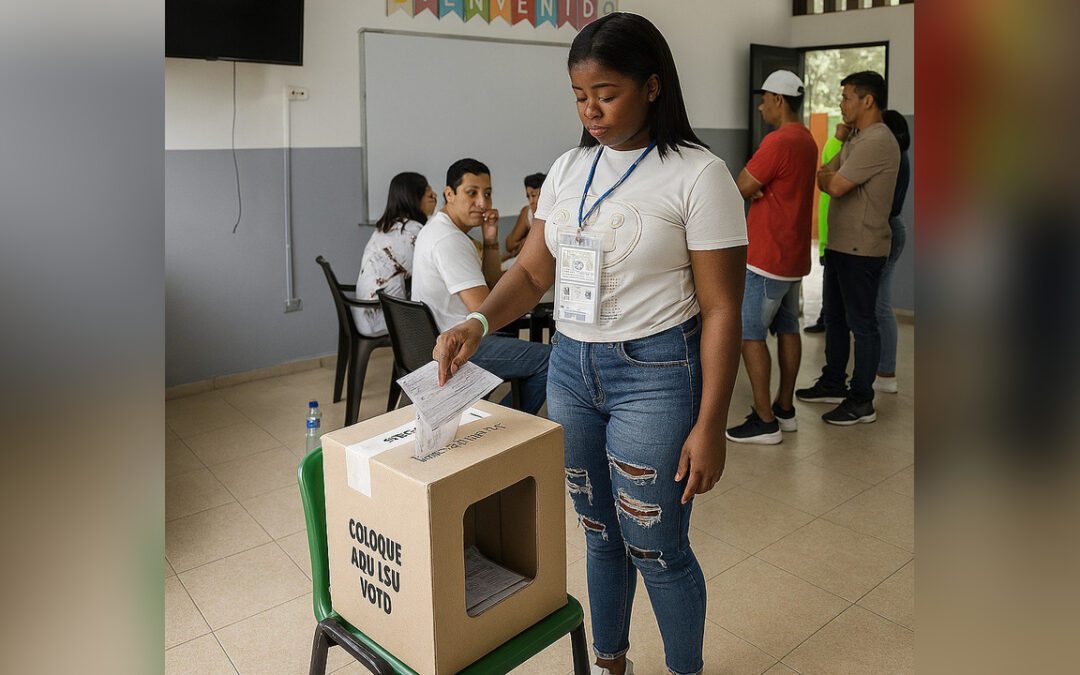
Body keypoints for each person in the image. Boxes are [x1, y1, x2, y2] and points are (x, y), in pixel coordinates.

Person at [432, 13, 747, 675]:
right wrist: (478, 323)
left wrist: (712, 421)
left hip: (656, 370)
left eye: (606, 92)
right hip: (572, 367)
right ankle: (610, 663)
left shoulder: (700, 174)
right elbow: (531, 272)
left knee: (657, 544)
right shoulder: (570, 167)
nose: (591, 109)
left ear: (652, 86)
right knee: (600, 534)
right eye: (580, 96)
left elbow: (722, 309)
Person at [796, 71, 899, 425]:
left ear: (867, 100)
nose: (841, 103)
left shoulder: (877, 140)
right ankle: (833, 381)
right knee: (836, 319)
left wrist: (828, 177)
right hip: (842, 246)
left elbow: (834, 184)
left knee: (862, 323)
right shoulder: (856, 138)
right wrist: (828, 174)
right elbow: (824, 173)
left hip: (862, 249)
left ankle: (862, 399)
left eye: (846, 97)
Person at [411, 158, 551, 414]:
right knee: (551, 360)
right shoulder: (449, 240)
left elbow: (492, 284)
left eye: (487, 194)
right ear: (449, 194)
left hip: (441, 338)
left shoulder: (440, 229)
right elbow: (485, 309)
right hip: (459, 345)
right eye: (471, 193)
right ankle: (500, 425)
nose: (483, 203)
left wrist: (490, 239)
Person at [726, 70, 818, 444]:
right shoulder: (807, 140)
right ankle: (785, 407)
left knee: (749, 335)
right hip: (793, 258)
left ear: (779, 100)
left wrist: (752, 190)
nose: (761, 105)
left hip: (765, 259)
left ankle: (764, 420)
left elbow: (738, 189)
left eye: (764, 98)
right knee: (788, 329)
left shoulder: (778, 142)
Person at [353, 172, 437, 334]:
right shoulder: (411, 231)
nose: (434, 196)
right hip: (382, 317)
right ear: (414, 197)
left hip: (366, 313)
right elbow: (432, 272)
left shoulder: (388, 226)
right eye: (428, 192)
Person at [874, 109, 910, 394]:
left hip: (889, 228)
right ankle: (883, 369)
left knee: (881, 307)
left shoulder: (893, 155)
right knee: (877, 306)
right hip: (892, 227)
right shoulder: (897, 154)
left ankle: (886, 372)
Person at [803, 124, 850, 334]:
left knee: (836, 276)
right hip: (829, 224)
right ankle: (826, 316)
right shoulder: (835, 145)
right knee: (829, 273)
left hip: (838, 227)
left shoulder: (850, 148)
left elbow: (832, 178)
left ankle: (829, 316)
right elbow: (825, 175)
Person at [502, 172, 546, 263]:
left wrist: (527, 240)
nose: (531, 201)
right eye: (528, 196)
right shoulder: (528, 213)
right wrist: (524, 242)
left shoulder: (557, 215)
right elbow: (510, 245)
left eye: (534, 195)